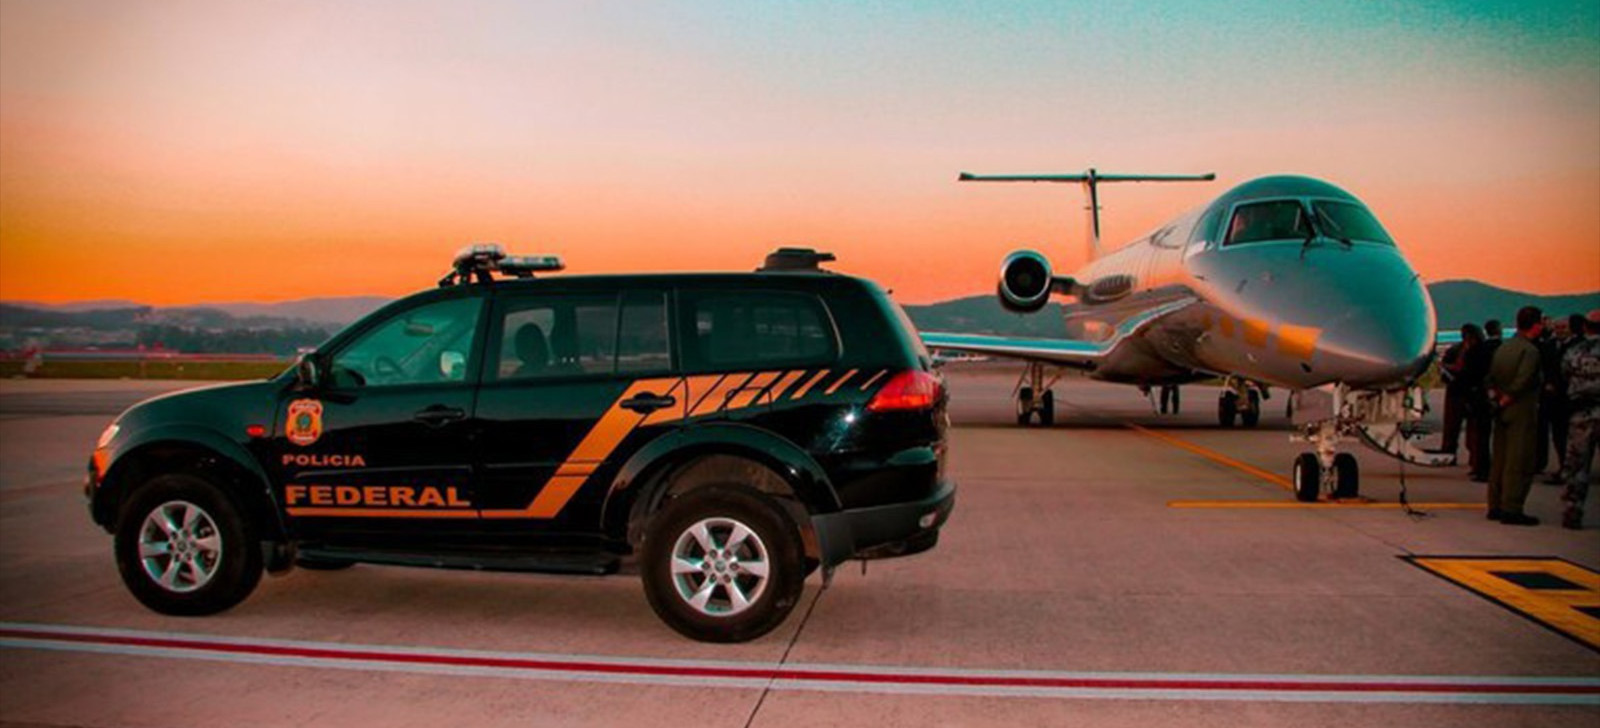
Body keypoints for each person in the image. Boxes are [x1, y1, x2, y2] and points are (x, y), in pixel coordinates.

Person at [1485, 306, 1544, 525]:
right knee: (1519, 459)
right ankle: (1512, 507)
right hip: (1520, 409)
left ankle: (1495, 504)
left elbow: (1490, 378)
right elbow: (1524, 379)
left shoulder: (1504, 348)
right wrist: (1508, 397)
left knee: (1499, 458)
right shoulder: (1530, 351)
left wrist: (1497, 398)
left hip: (1501, 409)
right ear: (1535, 325)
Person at [1558, 310, 1600, 529]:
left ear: (1585, 326)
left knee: (1577, 465)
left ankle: (1572, 511)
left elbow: (1564, 374)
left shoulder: (1574, 351)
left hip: (1581, 413)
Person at [1433, 324, 1481, 460]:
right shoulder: (1479, 351)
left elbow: (1444, 371)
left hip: (1457, 391)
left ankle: (1450, 453)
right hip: (1469, 392)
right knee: (1470, 429)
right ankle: (1473, 456)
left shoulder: (1455, 350)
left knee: (1453, 427)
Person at [1464, 321, 1500, 481]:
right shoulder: (1490, 350)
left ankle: (1482, 468)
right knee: (1485, 434)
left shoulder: (1473, 352)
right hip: (1486, 394)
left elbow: (1469, 375)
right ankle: (1484, 467)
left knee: (1481, 435)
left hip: (1478, 396)